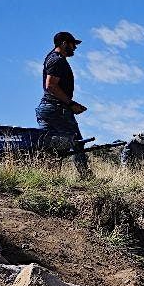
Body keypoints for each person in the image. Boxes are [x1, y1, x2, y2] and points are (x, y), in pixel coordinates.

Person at [35, 31, 91, 178]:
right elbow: (51, 86)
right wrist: (71, 104)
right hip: (57, 109)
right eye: (73, 44)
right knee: (77, 142)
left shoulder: (51, 58)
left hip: (47, 108)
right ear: (64, 43)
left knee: (48, 146)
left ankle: (46, 177)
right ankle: (86, 177)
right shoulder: (57, 60)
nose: (75, 48)